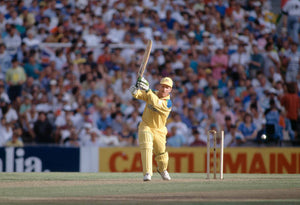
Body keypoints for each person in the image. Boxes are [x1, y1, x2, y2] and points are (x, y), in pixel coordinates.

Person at [130, 76, 173, 181]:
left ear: (170, 90)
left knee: (161, 154)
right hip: (146, 125)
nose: (164, 89)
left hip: (159, 130)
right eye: (162, 86)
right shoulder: (152, 93)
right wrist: (134, 91)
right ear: (159, 86)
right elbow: (140, 95)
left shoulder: (168, 103)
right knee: (146, 146)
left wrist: (148, 90)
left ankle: (162, 170)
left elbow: (155, 102)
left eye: (167, 87)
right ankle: (147, 173)